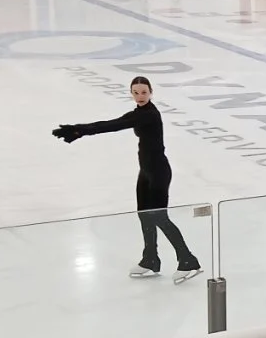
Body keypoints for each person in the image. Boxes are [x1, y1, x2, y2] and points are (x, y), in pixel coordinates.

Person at [54, 76, 204, 282]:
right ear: (131, 93)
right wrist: (79, 130)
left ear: (151, 93)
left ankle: (188, 260)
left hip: (159, 172)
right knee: (144, 215)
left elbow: (116, 126)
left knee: (159, 216)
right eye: (136, 92)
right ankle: (150, 259)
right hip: (146, 172)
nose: (140, 96)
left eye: (144, 92)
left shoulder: (149, 114)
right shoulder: (138, 113)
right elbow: (111, 122)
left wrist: (80, 130)